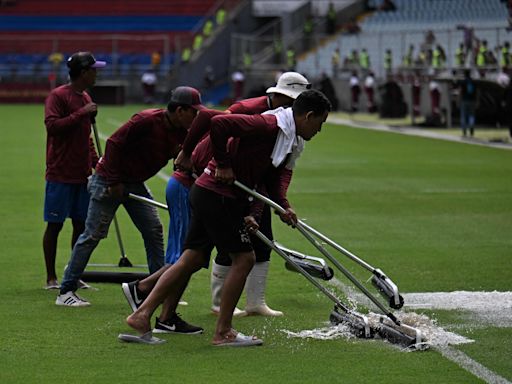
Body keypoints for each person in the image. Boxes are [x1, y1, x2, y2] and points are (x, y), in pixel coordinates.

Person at [122, 89, 332, 346]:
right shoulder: (269, 124)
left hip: (208, 193)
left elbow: (267, 179)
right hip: (217, 194)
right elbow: (219, 122)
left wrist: (282, 206)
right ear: (308, 116)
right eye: (320, 124)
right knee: (244, 259)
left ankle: (142, 313)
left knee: (193, 257)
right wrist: (222, 163)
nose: (319, 131)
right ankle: (223, 332)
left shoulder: (286, 137)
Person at [164, 72, 312, 318]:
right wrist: (191, 154)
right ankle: (215, 304)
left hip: (250, 184)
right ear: (275, 95)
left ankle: (256, 302)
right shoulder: (250, 110)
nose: (290, 108)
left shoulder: (291, 126)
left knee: (261, 238)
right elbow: (210, 121)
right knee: (219, 249)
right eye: (288, 101)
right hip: (218, 180)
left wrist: (279, 203)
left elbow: (280, 170)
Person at [55, 86, 205, 306]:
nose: (196, 117)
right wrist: (114, 181)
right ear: (180, 110)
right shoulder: (146, 120)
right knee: (92, 235)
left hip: (134, 183)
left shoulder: (182, 131)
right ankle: (66, 290)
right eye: (194, 112)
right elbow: (114, 143)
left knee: (153, 230)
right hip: (108, 181)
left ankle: (158, 289)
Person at [42, 52, 104, 290]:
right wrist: (82, 113)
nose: (96, 73)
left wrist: (96, 163)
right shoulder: (58, 96)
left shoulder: (85, 95)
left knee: (81, 226)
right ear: (83, 72)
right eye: (93, 69)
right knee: (55, 225)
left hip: (82, 174)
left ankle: (73, 274)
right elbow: (53, 126)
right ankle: (50, 278)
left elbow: (85, 137)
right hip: (60, 172)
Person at [457, 69, 478, 137]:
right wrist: (477, 100)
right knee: (471, 115)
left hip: (464, 100)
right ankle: (471, 127)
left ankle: (464, 130)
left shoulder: (463, 82)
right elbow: (477, 92)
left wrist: (458, 100)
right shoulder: (473, 82)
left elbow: (460, 92)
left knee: (463, 115)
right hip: (472, 100)